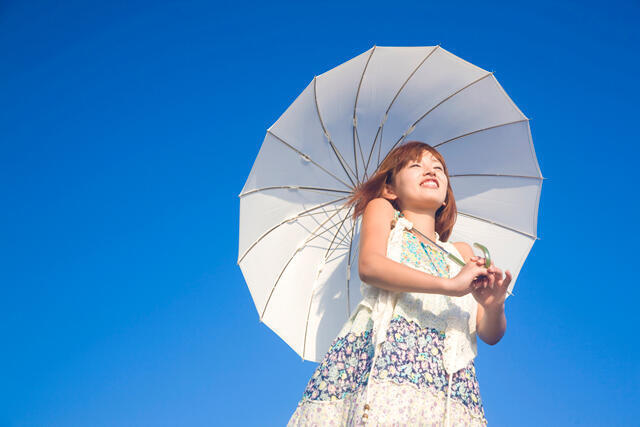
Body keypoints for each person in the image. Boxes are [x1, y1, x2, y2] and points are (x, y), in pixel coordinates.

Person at [287, 141, 512, 426]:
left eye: (438, 169)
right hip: (387, 366)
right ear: (390, 188)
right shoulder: (384, 213)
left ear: (445, 198)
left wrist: (493, 306)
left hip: (446, 389)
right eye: (416, 165)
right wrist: (450, 286)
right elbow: (370, 266)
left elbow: (490, 334)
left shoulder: (463, 254)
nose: (430, 171)